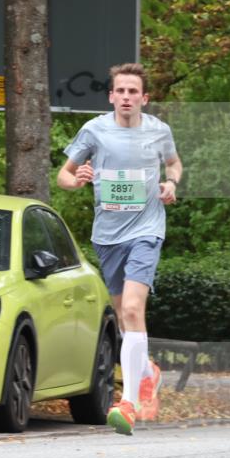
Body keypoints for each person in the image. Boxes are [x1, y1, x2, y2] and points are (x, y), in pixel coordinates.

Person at [57, 63, 182, 436]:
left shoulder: (159, 131)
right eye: (120, 91)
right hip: (107, 235)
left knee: (131, 308)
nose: (127, 97)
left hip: (146, 230)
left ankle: (128, 402)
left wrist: (171, 183)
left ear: (144, 98)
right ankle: (147, 371)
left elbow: (174, 164)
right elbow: (63, 175)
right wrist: (75, 179)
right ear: (111, 96)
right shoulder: (94, 130)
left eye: (134, 92)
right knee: (122, 315)